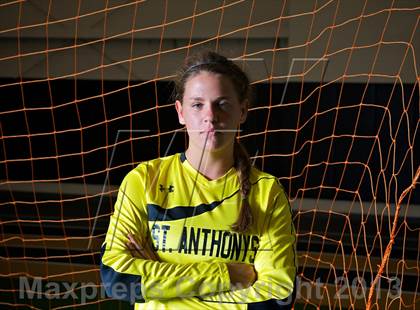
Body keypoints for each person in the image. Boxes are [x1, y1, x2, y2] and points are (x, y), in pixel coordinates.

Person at [100, 51, 297, 309]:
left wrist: (163, 280)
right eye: (197, 104)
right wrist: (229, 275)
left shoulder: (267, 192)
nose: (210, 116)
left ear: (243, 111)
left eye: (223, 104)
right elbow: (117, 279)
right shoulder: (144, 180)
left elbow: (277, 297)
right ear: (180, 112)